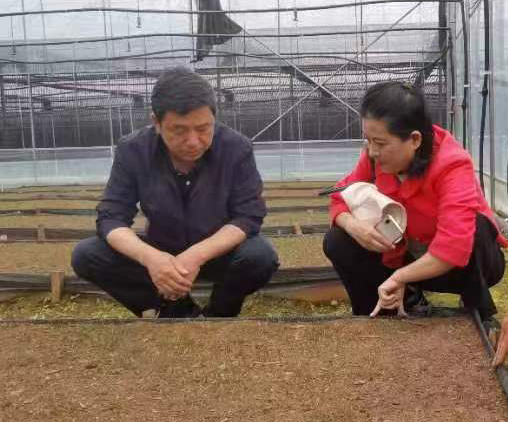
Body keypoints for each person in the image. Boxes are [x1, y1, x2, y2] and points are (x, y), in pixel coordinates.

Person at [72, 67, 279, 318]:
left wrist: (196, 255)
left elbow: (248, 215)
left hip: (217, 252)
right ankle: (175, 310)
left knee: (259, 256)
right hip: (162, 251)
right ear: (156, 123)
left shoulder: (236, 148)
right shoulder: (133, 150)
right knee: (87, 255)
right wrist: (151, 258)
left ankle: (220, 313)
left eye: (203, 128)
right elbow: (111, 217)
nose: (193, 141)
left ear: (213, 118)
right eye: (179, 130)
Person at [323, 81, 507, 325]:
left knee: (476, 226)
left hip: (458, 267)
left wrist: (401, 276)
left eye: (380, 143)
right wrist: (355, 227)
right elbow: (339, 196)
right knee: (337, 240)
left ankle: (477, 310)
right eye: (368, 140)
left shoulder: (452, 164)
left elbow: (454, 247)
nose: (372, 151)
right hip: (405, 255)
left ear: (415, 140)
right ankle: (384, 312)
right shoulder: (374, 158)